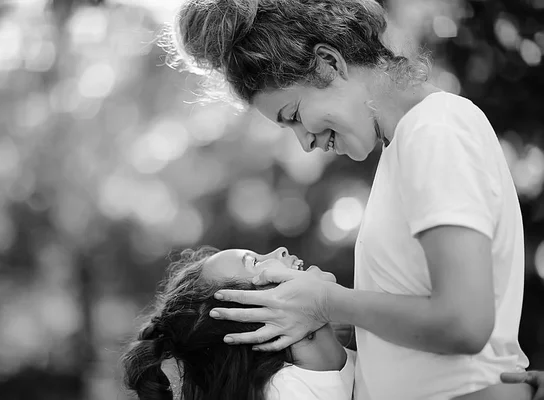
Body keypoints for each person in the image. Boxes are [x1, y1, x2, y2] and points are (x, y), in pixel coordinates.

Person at [166, 0, 538, 398]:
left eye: (293, 114)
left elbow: (464, 323)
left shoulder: (434, 133)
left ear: (330, 63)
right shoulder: (406, 147)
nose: (304, 143)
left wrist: (327, 302)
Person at [121, 246, 356, 400]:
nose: (281, 251)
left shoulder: (365, 339)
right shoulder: (286, 393)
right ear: (249, 316)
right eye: (254, 263)